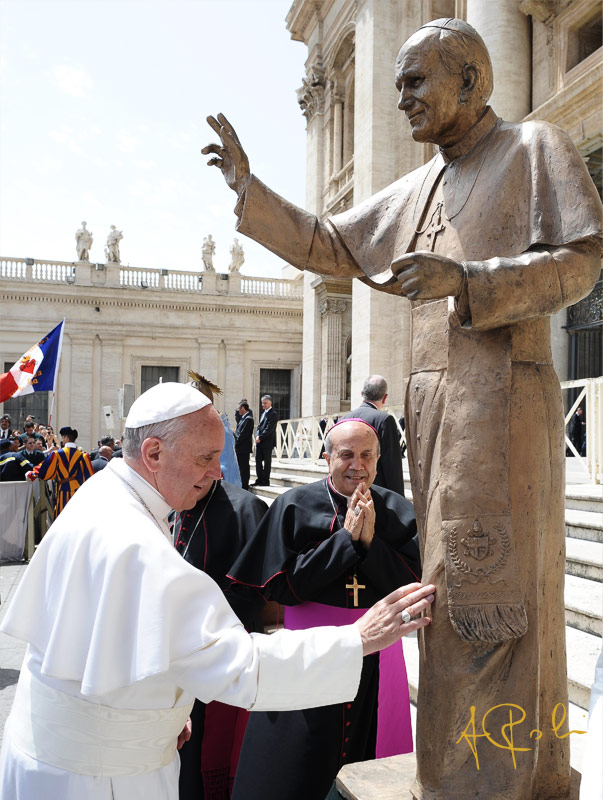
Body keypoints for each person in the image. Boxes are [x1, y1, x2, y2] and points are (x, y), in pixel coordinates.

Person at [203, 18, 602, 800]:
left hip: (499, 408)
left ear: (469, 78)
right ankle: (456, 773)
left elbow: (582, 262)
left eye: (414, 82)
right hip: (433, 415)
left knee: (490, 597)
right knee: (451, 600)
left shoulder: (532, 150)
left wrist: (470, 280)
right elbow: (330, 244)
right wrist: (250, 191)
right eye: (396, 86)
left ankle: (497, 777)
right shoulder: (418, 184)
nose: (401, 101)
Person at [0, 382, 435, 800]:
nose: (218, 471)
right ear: (153, 453)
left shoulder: (101, 495)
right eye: (206, 457)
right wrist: (357, 638)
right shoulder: (137, 545)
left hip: (67, 750)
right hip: (98, 776)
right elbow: (238, 666)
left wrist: (160, 711)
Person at [228, 419, 421, 800]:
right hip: (310, 648)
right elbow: (280, 585)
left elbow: (413, 583)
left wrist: (371, 546)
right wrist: (346, 544)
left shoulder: (397, 510)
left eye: (367, 455)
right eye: (346, 455)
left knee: (374, 756)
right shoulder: (293, 506)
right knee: (300, 760)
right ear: (326, 457)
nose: (357, 464)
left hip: (381, 655)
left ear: (379, 459)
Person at [173, 471, 267, 799]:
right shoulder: (170, 503)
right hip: (174, 655)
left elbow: (256, 588)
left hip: (221, 652)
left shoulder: (246, 508)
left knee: (208, 751)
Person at [342, 375, 405, 496]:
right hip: (375, 494)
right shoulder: (384, 420)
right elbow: (392, 467)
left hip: (346, 491)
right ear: (385, 398)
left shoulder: (344, 419)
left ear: (362, 394)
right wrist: (398, 501)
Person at [33, 425, 93, 516]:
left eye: (63, 437)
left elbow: (45, 469)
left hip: (63, 489)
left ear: (66, 438)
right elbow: (88, 476)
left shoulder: (57, 454)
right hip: (77, 490)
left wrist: (33, 473)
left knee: (62, 514)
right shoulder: (83, 456)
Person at [254, 394, 277, 486]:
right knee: (258, 461)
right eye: (262, 403)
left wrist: (261, 437)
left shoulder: (273, 414)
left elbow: (269, 428)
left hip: (267, 442)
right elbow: (259, 427)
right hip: (259, 442)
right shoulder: (263, 414)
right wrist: (257, 435)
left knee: (267, 462)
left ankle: (265, 481)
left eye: (265, 403)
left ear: (270, 403)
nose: (263, 405)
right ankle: (259, 479)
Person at [234, 401, 254, 490]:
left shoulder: (248, 419)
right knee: (240, 467)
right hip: (240, 448)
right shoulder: (242, 418)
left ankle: (245, 486)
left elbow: (243, 434)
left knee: (244, 468)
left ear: (243, 408)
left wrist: (236, 443)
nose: (238, 410)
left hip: (243, 448)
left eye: (239, 409)